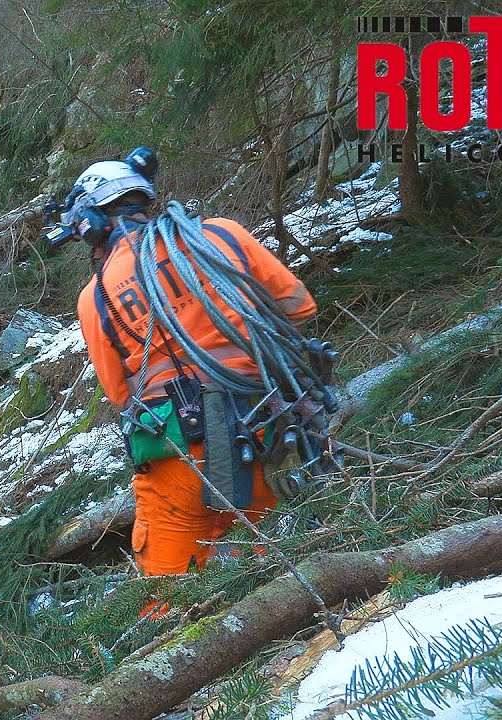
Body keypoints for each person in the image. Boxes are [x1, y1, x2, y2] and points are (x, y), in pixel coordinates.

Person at [67, 153, 319, 577]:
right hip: (263, 427)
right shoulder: (222, 236)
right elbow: (298, 307)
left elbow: (119, 394)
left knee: (168, 593)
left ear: (92, 222)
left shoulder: (97, 296)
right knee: (279, 563)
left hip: (177, 453)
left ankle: (182, 640)